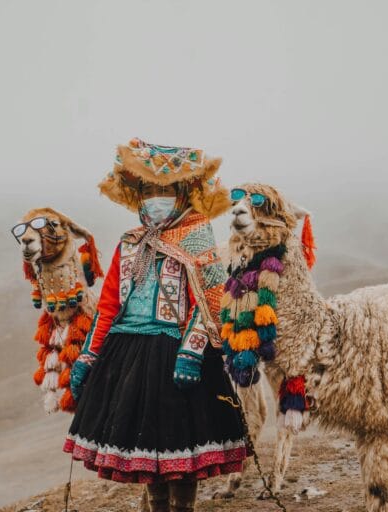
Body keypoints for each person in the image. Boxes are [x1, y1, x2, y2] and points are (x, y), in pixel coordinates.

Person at [63, 138, 250, 512]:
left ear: (181, 195)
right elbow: (110, 305)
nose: (155, 199)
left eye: (164, 191)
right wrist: (88, 356)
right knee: (143, 447)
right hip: (126, 354)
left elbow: (209, 300)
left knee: (180, 446)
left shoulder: (196, 236)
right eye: (148, 191)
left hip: (177, 353)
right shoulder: (129, 243)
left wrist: (191, 352)